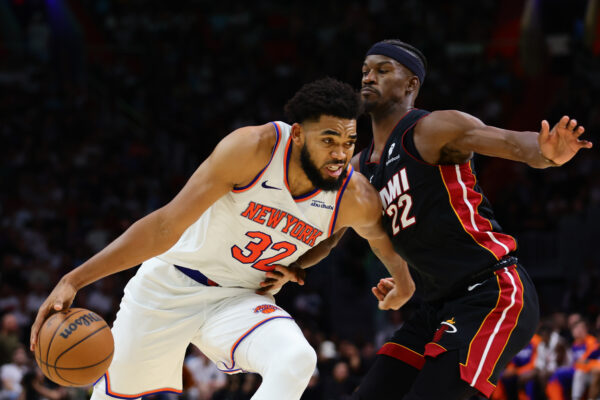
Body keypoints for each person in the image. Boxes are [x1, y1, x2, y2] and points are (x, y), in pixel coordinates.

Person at [29, 78, 414, 400]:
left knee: (295, 358)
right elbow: (165, 226)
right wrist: (73, 280)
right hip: (171, 284)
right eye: (328, 140)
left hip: (239, 298)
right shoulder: (252, 149)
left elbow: (378, 242)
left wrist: (404, 281)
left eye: (349, 142)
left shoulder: (354, 196)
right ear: (297, 135)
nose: (341, 154)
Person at [352, 39, 593, 400]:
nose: (369, 77)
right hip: (436, 306)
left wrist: (546, 153)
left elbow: (511, 143)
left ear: (410, 85)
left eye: (383, 70)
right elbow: (370, 231)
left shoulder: (432, 129)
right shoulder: (360, 167)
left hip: (491, 293)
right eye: (365, 71)